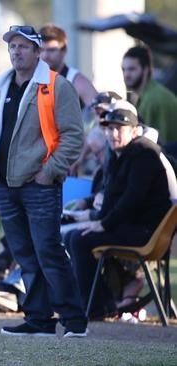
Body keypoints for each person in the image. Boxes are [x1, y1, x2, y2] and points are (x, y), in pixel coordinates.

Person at [0, 25, 87, 337]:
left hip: (39, 184)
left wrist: (49, 172)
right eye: (12, 46)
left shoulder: (56, 85)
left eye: (24, 46)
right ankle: (39, 320)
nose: (16, 51)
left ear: (38, 52)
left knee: (49, 252)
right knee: (24, 255)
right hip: (6, 185)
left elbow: (73, 136)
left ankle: (75, 321)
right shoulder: (0, 86)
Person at [66, 100, 172, 318]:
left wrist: (102, 224)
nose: (113, 133)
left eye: (119, 128)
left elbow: (131, 201)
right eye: (109, 128)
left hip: (146, 232)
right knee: (73, 237)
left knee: (79, 240)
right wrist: (95, 219)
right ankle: (104, 304)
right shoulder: (118, 154)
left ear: (134, 130)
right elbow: (112, 197)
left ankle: (95, 309)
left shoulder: (144, 153)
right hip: (130, 225)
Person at [122, 46, 177, 154]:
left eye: (132, 69)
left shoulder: (155, 99)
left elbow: (160, 148)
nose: (126, 75)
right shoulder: (140, 97)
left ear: (146, 70)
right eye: (124, 69)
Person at [39, 24, 97, 108]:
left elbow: (98, 114)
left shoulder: (76, 81)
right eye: (41, 50)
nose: (45, 56)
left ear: (64, 50)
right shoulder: (32, 79)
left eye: (51, 50)